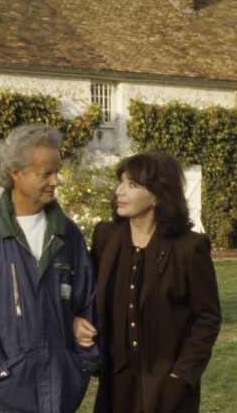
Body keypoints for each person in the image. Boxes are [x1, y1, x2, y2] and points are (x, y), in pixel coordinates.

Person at [0, 124, 100, 413]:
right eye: (46, 174)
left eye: (57, 171)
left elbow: (87, 298)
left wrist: (82, 356)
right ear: (16, 173)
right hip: (1, 393)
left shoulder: (68, 234)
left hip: (61, 389)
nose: (56, 181)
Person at [74, 151, 221, 413]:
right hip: (114, 380)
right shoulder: (105, 237)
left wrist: (181, 376)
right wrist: (76, 321)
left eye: (133, 185)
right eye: (121, 182)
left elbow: (207, 318)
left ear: (158, 195)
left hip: (166, 383)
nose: (120, 191)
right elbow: (83, 293)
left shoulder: (189, 247)